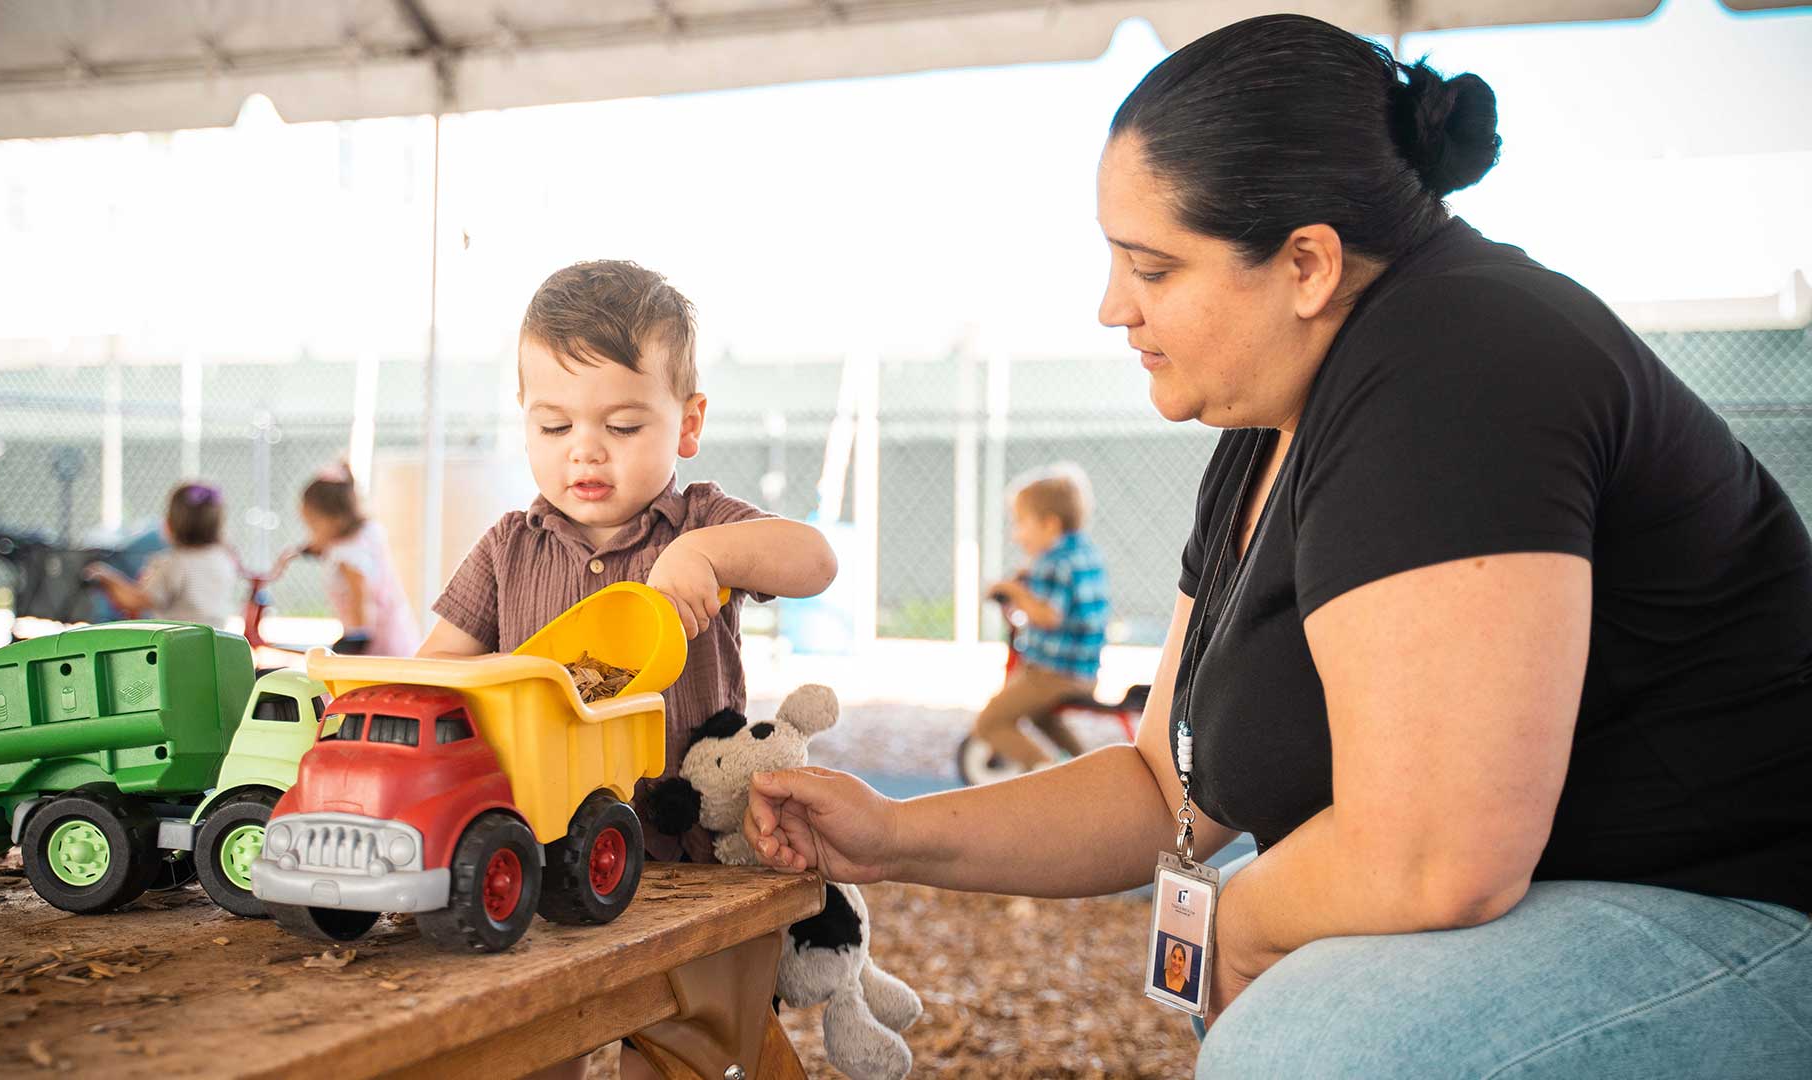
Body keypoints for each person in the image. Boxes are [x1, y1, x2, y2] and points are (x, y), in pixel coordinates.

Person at [743, 15, 1812, 1079]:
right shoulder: (1270, 417)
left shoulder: (1456, 360)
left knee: (1298, 1047)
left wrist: (1239, 925)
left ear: (1306, 263)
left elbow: (1441, 856)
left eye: (1152, 269)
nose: (1112, 306)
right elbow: (1165, 785)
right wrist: (892, 835)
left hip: (1750, 911)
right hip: (1582, 894)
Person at [417, 259, 837, 1080]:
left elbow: (814, 560)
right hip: (545, 851)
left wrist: (705, 553)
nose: (586, 452)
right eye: (553, 427)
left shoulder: (702, 523)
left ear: (687, 423)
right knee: (532, 1041)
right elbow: (438, 671)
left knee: (682, 1050)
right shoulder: (509, 547)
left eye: (622, 425)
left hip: (689, 858)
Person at [975, 464, 1110, 770]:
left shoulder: (1053, 561)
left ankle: (1046, 770)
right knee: (1040, 717)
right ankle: (1084, 769)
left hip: (1053, 673)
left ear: (1050, 525)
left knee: (990, 722)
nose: (1016, 535)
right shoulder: (1084, 552)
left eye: (1021, 524)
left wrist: (1014, 590)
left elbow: (1048, 616)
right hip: (1083, 672)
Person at [298, 463, 419, 657]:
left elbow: (361, 597)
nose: (312, 533)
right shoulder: (367, 532)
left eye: (313, 525)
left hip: (375, 649)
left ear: (334, 519)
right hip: (397, 631)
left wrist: (354, 642)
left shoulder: (348, 557)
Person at [85, 482, 239, 626]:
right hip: (215, 641)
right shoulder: (223, 558)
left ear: (169, 525)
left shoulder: (173, 564)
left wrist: (107, 577)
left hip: (178, 645)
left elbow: (137, 599)